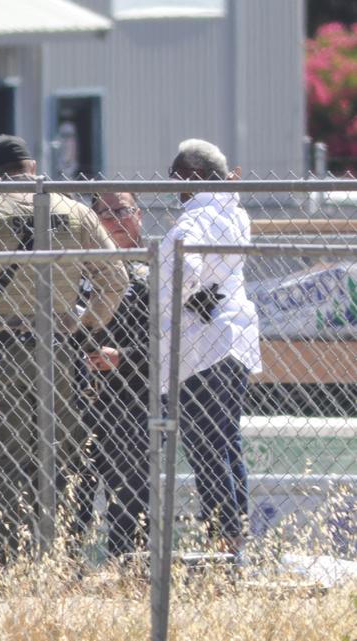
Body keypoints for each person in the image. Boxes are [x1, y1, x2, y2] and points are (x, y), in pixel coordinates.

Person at [0, 134, 127, 569]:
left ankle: (8, 566)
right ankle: (59, 560)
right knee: (59, 458)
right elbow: (115, 278)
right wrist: (82, 325)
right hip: (57, 349)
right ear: (32, 165)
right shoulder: (74, 211)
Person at [159, 139, 261, 555]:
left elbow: (174, 277)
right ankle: (237, 535)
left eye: (178, 180)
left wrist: (183, 295)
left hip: (203, 344)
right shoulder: (235, 213)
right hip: (237, 337)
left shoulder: (194, 221)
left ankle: (224, 538)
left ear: (195, 178)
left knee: (204, 446)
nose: (174, 191)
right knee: (226, 440)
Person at [73, 192, 151, 559]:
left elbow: (173, 345)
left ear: (138, 215)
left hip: (132, 399)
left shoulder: (159, 270)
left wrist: (124, 358)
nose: (116, 218)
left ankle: (129, 569)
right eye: (106, 212)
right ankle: (66, 566)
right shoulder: (74, 268)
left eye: (124, 210)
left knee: (131, 495)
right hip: (79, 399)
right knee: (73, 493)